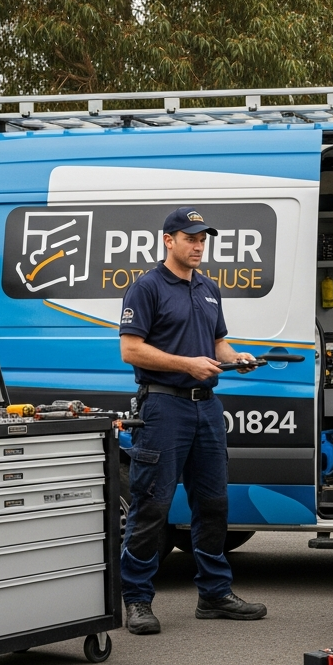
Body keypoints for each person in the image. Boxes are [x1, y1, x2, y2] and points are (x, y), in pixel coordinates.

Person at [116, 207, 267, 634]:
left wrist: (235, 357)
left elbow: (217, 343)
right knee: (152, 505)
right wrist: (186, 365)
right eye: (190, 238)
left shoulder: (207, 288)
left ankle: (215, 594)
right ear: (168, 240)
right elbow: (131, 350)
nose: (199, 246)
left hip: (206, 408)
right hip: (164, 407)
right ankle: (137, 600)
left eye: (203, 239)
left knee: (214, 503)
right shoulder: (146, 287)